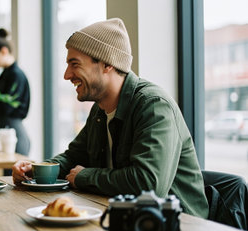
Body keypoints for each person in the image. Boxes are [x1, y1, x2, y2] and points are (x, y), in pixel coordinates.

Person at [12, 18, 209, 218]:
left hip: (178, 227)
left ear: (107, 64)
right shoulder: (99, 110)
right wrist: (35, 171)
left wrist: (85, 177)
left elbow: (149, 184)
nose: (66, 75)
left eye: (75, 64)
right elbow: (73, 157)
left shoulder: (154, 106)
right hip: (125, 220)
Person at [0, 28, 31, 156]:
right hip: (6, 130)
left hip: (12, 133)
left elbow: (6, 106)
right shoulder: (6, 74)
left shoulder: (15, 75)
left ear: (4, 51)